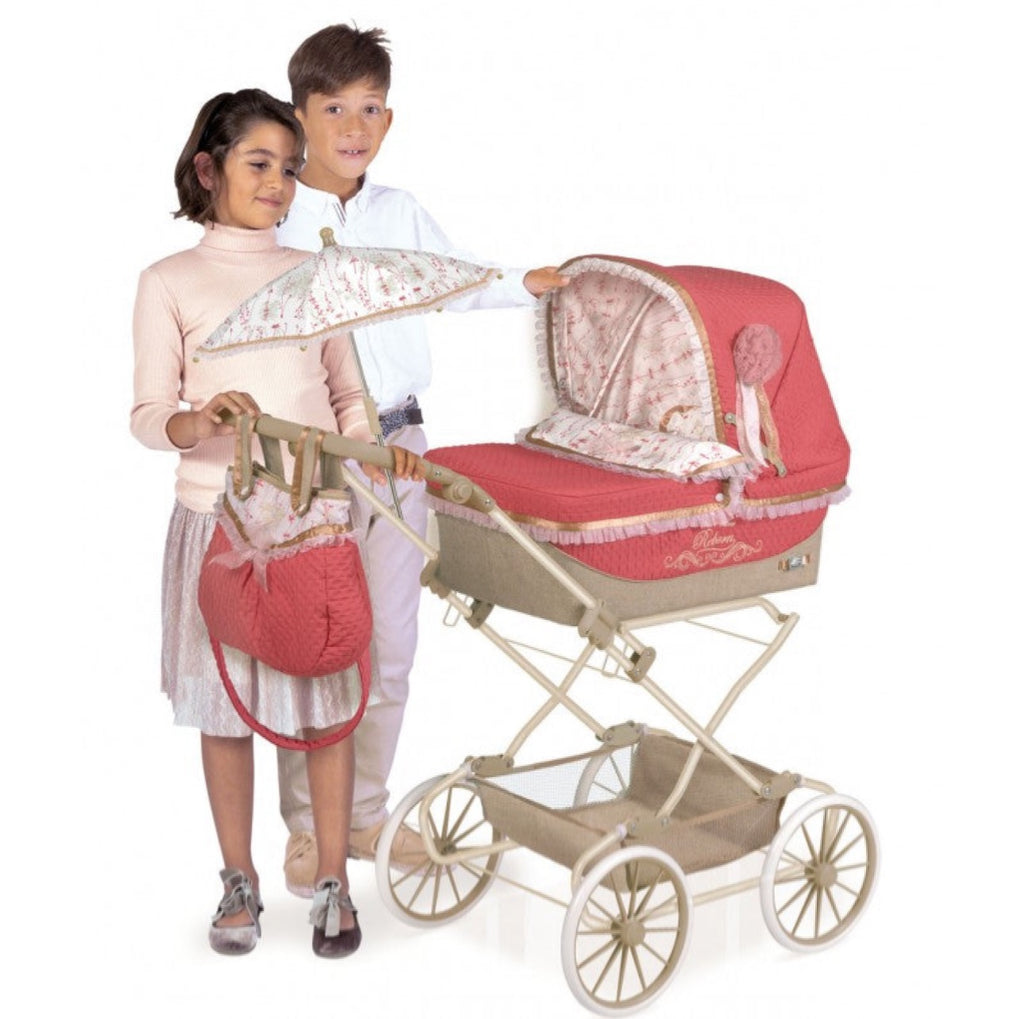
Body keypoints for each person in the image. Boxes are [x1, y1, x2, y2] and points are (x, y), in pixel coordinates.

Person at [274, 23, 569, 895]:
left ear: (390, 119)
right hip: (313, 454)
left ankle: (365, 814)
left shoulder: (397, 211)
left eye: (370, 108)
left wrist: (526, 283)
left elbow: (454, 277)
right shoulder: (276, 212)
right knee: (314, 646)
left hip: (401, 447)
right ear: (299, 115)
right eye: (335, 108)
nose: (354, 126)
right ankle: (306, 829)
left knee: (390, 645)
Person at [130, 88, 423, 958]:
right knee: (223, 709)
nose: (280, 184)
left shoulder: (310, 274)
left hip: (315, 518)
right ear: (207, 169)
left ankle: (332, 877)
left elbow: (347, 395)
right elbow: (148, 415)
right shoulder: (168, 282)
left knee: (327, 702)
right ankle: (239, 878)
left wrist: (375, 454)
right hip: (215, 524)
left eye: (291, 169)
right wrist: (198, 421)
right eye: (259, 164)